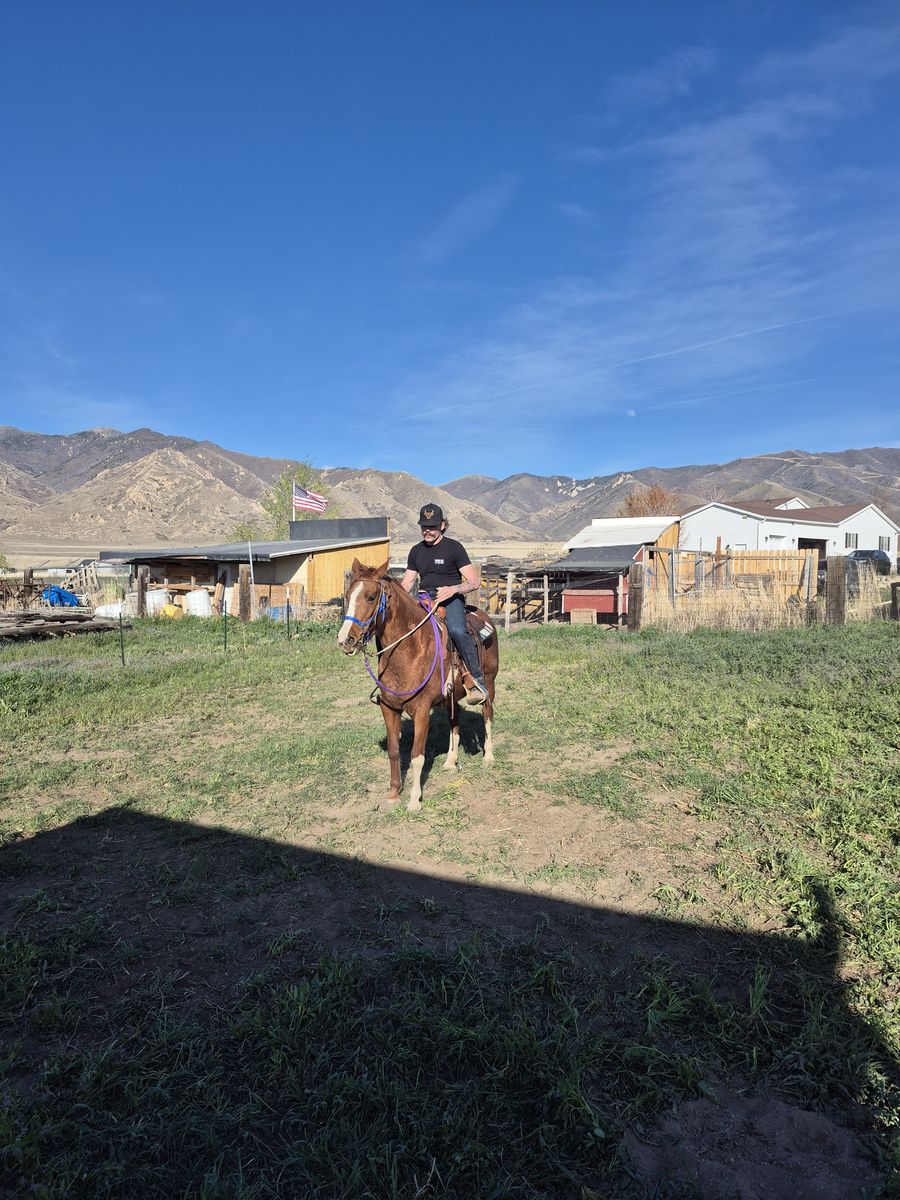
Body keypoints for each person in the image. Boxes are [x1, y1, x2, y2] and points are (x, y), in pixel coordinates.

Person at [400, 503, 490, 705]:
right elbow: (407, 583)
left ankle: (476, 680)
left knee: (458, 631)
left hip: (450, 599)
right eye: (424, 526)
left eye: (431, 526)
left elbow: (474, 582)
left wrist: (454, 589)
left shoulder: (454, 548)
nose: (427, 530)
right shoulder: (415, 551)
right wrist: (394, 597)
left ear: (442, 525)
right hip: (424, 600)